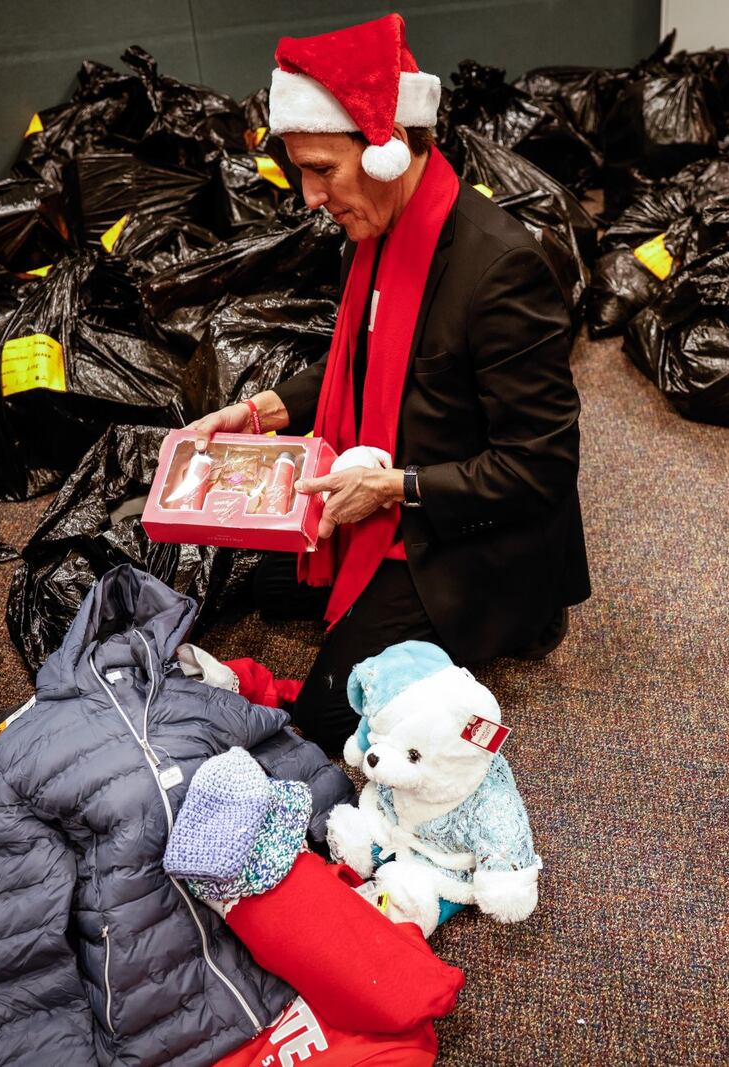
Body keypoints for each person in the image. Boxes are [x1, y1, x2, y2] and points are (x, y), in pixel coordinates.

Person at [187, 14, 590, 756]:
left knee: (321, 727)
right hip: (390, 481)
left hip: (464, 532)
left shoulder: (499, 270)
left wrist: (393, 489)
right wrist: (260, 410)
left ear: (384, 152)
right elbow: (362, 365)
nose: (309, 197)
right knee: (262, 576)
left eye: (320, 170)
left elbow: (540, 466)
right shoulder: (373, 234)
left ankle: (517, 617)